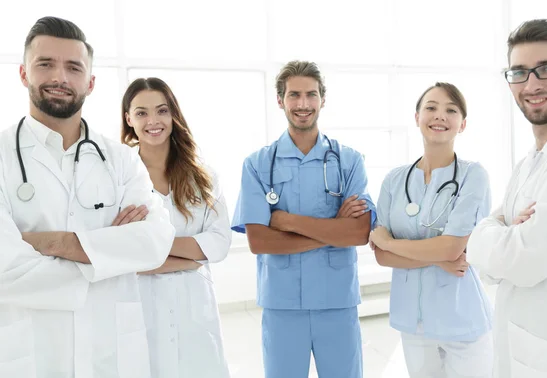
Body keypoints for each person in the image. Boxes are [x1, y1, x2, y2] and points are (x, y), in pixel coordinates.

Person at [0, 16, 175, 378]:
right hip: (30, 353)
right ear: (23, 74)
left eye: (73, 67)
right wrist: (110, 257)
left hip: (112, 352)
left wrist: (56, 243)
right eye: (45, 64)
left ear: (91, 82)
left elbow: (155, 242)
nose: (60, 77)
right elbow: (6, 268)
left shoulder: (121, 158)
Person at [467, 19, 547, 377]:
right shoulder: (534, 159)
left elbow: (518, 260)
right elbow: (497, 262)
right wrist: (502, 234)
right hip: (524, 344)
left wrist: (489, 235)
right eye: (520, 72)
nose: (532, 84)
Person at [231, 60, 375, 378]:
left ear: (322, 99)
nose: (303, 104)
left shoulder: (349, 161)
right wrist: (333, 228)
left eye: (311, 94)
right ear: (280, 100)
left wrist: (289, 221)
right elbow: (259, 241)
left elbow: (358, 233)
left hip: (337, 302)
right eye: (294, 95)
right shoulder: (257, 164)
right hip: (282, 307)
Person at [369, 82, 494, 378]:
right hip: (414, 322)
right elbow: (382, 258)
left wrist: (389, 242)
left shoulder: (472, 175)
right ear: (417, 117)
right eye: (431, 108)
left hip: (462, 319)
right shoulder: (394, 180)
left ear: (462, 124)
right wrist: (438, 258)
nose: (440, 116)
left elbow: (451, 248)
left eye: (451, 110)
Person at [120, 77, 231, 378]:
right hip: (139, 307)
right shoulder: (116, 178)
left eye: (162, 110)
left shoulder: (203, 175)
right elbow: (115, 253)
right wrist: (190, 256)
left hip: (194, 307)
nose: (153, 121)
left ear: (173, 115)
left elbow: (219, 243)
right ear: (128, 118)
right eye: (141, 113)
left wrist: (147, 246)